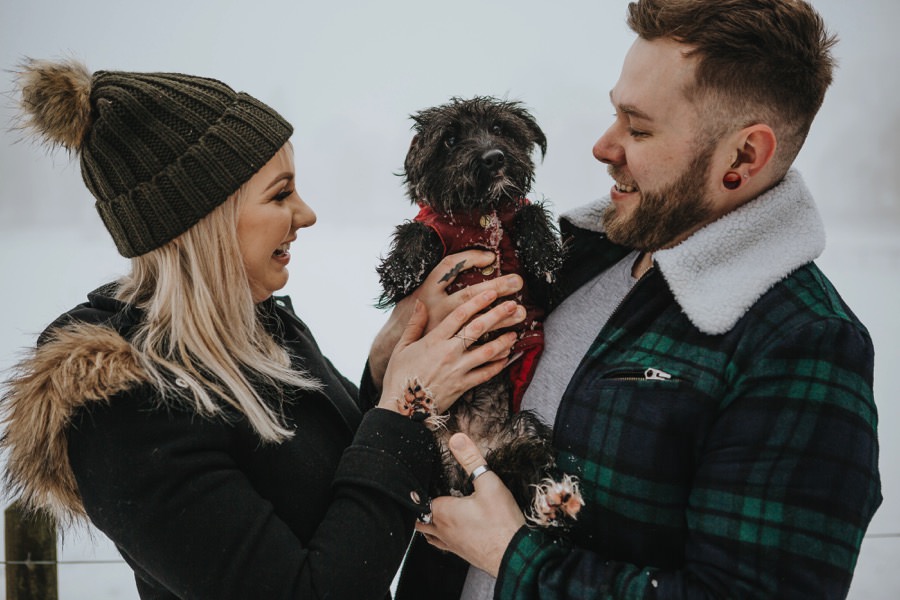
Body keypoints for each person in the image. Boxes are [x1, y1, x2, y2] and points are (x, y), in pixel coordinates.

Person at [383, 1, 883, 598]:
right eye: (614, 114)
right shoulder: (576, 257)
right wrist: (391, 356)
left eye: (639, 128)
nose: (602, 146)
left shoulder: (803, 347)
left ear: (743, 157)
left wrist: (513, 556)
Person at [0, 58, 528, 599]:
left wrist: (385, 365)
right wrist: (406, 405)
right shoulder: (124, 410)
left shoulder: (266, 328)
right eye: (280, 195)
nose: (307, 214)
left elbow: (354, 483)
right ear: (202, 219)